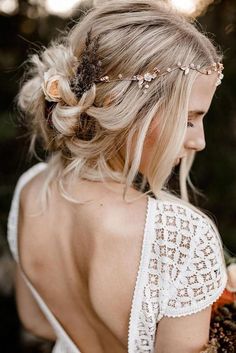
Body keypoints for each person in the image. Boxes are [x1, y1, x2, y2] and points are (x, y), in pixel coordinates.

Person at [7, 1, 227, 352]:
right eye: (187, 119)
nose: (199, 141)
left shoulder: (30, 189)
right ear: (130, 110)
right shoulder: (181, 238)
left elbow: (35, 321)